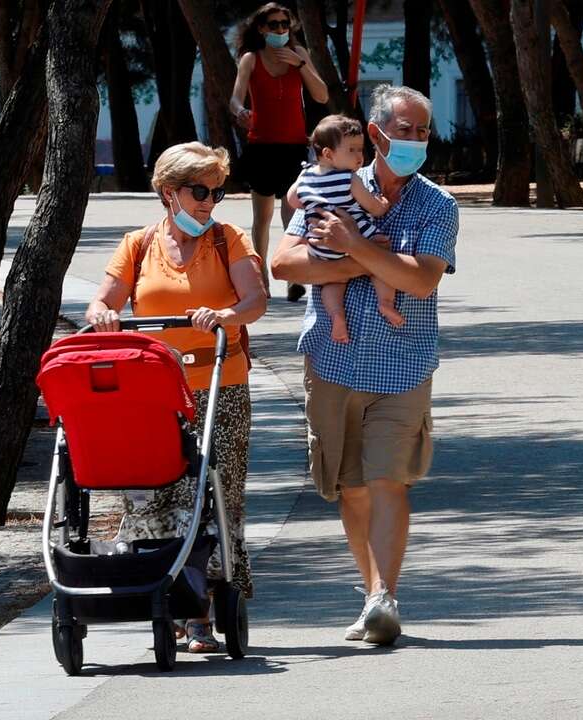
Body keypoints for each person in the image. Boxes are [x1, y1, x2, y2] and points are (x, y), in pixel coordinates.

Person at [270, 85, 457, 646]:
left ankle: (384, 599)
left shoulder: (437, 205)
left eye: (423, 130)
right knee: (350, 486)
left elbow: (421, 279)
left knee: (388, 480)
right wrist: (369, 260)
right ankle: (370, 589)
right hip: (332, 361)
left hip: (404, 365)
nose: (416, 140)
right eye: (406, 129)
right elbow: (284, 264)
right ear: (375, 135)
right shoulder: (326, 182)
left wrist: (348, 248)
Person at [86, 142, 267, 654]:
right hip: (154, 392)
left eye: (217, 191)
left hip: (220, 385)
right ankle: (158, 593)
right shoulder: (138, 245)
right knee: (151, 489)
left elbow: (255, 299)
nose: (211, 201)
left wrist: (228, 316)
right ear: (170, 193)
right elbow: (105, 298)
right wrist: (102, 312)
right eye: (201, 190)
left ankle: (202, 613)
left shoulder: (227, 239)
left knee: (213, 496)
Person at [229, 2, 329, 301]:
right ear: (262, 28)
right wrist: (241, 111)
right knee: (262, 218)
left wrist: (300, 66)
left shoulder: (299, 55)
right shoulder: (251, 59)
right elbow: (234, 100)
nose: (281, 30)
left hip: (294, 145)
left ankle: (293, 276)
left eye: (285, 24)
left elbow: (321, 95)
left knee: (293, 213)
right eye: (274, 25)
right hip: (261, 146)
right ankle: (261, 279)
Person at [286, 114, 399, 345]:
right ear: (328, 154)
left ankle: (337, 316)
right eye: (352, 150)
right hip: (355, 235)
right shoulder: (349, 179)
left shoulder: (305, 175)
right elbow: (373, 208)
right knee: (380, 255)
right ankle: (385, 302)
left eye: (360, 149)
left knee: (331, 282)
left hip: (319, 245)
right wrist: (383, 204)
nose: (360, 156)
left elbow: (293, 201)